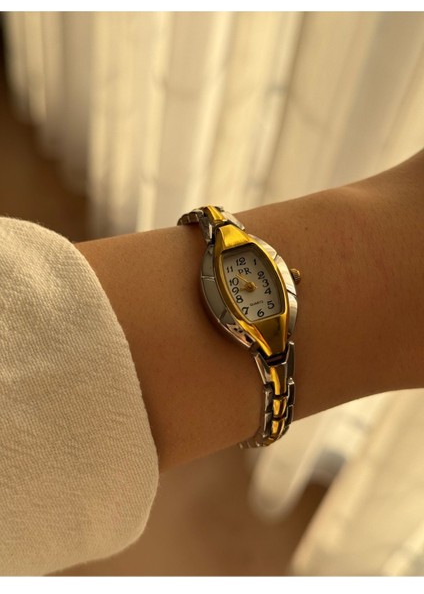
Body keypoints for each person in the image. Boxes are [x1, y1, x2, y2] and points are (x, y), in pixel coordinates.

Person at [0, 149, 423, 576]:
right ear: (224, 314)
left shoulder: (252, 276)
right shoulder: (231, 290)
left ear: (286, 276)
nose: (249, 286)